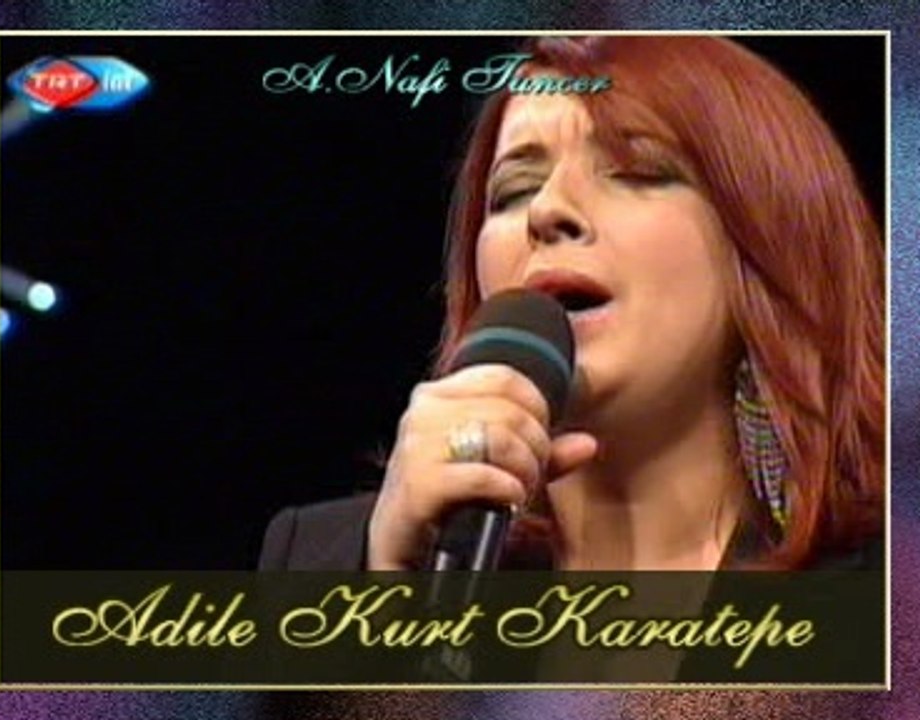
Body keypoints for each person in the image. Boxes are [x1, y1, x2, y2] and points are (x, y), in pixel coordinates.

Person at [259, 35, 884, 574]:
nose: (547, 209)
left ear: (770, 248)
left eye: (634, 171)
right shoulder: (322, 559)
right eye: (514, 190)